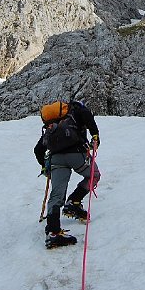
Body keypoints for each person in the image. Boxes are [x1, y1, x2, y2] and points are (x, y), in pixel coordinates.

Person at [34, 98, 101, 249]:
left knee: (56, 194)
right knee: (94, 175)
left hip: (56, 159)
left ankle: (53, 232)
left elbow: (38, 149)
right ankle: (74, 202)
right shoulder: (77, 110)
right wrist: (95, 136)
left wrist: (45, 167)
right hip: (77, 154)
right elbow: (89, 119)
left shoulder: (53, 124)